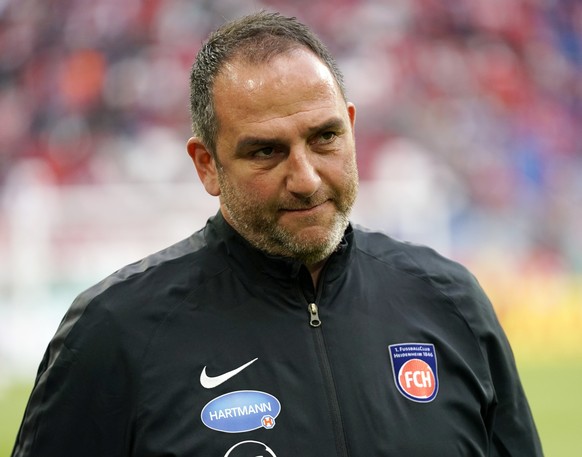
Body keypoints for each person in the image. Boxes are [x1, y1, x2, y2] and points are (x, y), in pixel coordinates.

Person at [12, 11, 543, 457]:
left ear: (351, 129)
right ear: (207, 165)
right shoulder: (113, 333)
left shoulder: (451, 304)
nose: (307, 178)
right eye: (266, 151)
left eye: (325, 137)